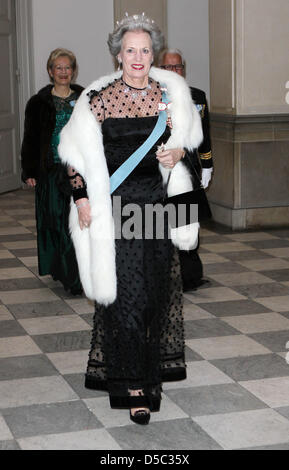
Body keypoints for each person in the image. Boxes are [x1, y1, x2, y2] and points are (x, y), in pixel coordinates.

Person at [59, 13, 203, 425]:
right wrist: (82, 200)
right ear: (117, 55)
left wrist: (177, 153)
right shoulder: (98, 99)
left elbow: (190, 147)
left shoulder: (169, 94)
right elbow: (74, 156)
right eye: (129, 50)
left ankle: (148, 368)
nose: (137, 57)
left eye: (144, 50)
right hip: (115, 209)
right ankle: (132, 384)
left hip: (156, 207)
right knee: (126, 295)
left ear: (152, 53)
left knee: (155, 292)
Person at [21, 48, 83, 295]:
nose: (64, 72)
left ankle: (75, 274)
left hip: (79, 170)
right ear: (50, 71)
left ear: (73, 70)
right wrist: (29, 171)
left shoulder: (84, 97)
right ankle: (65, 271)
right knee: (56, 223)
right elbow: (30, 139)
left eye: (68, 67)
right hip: (51, 171)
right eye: (59, 67)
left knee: (77, 222)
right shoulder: (38, 103)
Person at [159, 48, 213, 291]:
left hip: (187, 168)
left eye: (177, 66)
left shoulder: (197, 97)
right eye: (168, 67)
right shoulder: (150, 95)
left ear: (184, 68)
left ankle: (190, 277)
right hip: (158, 170)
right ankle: (160, 277)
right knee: (158, 224)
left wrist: (207, 164)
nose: (174, 71)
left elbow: (205, 135)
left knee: (187, 225)